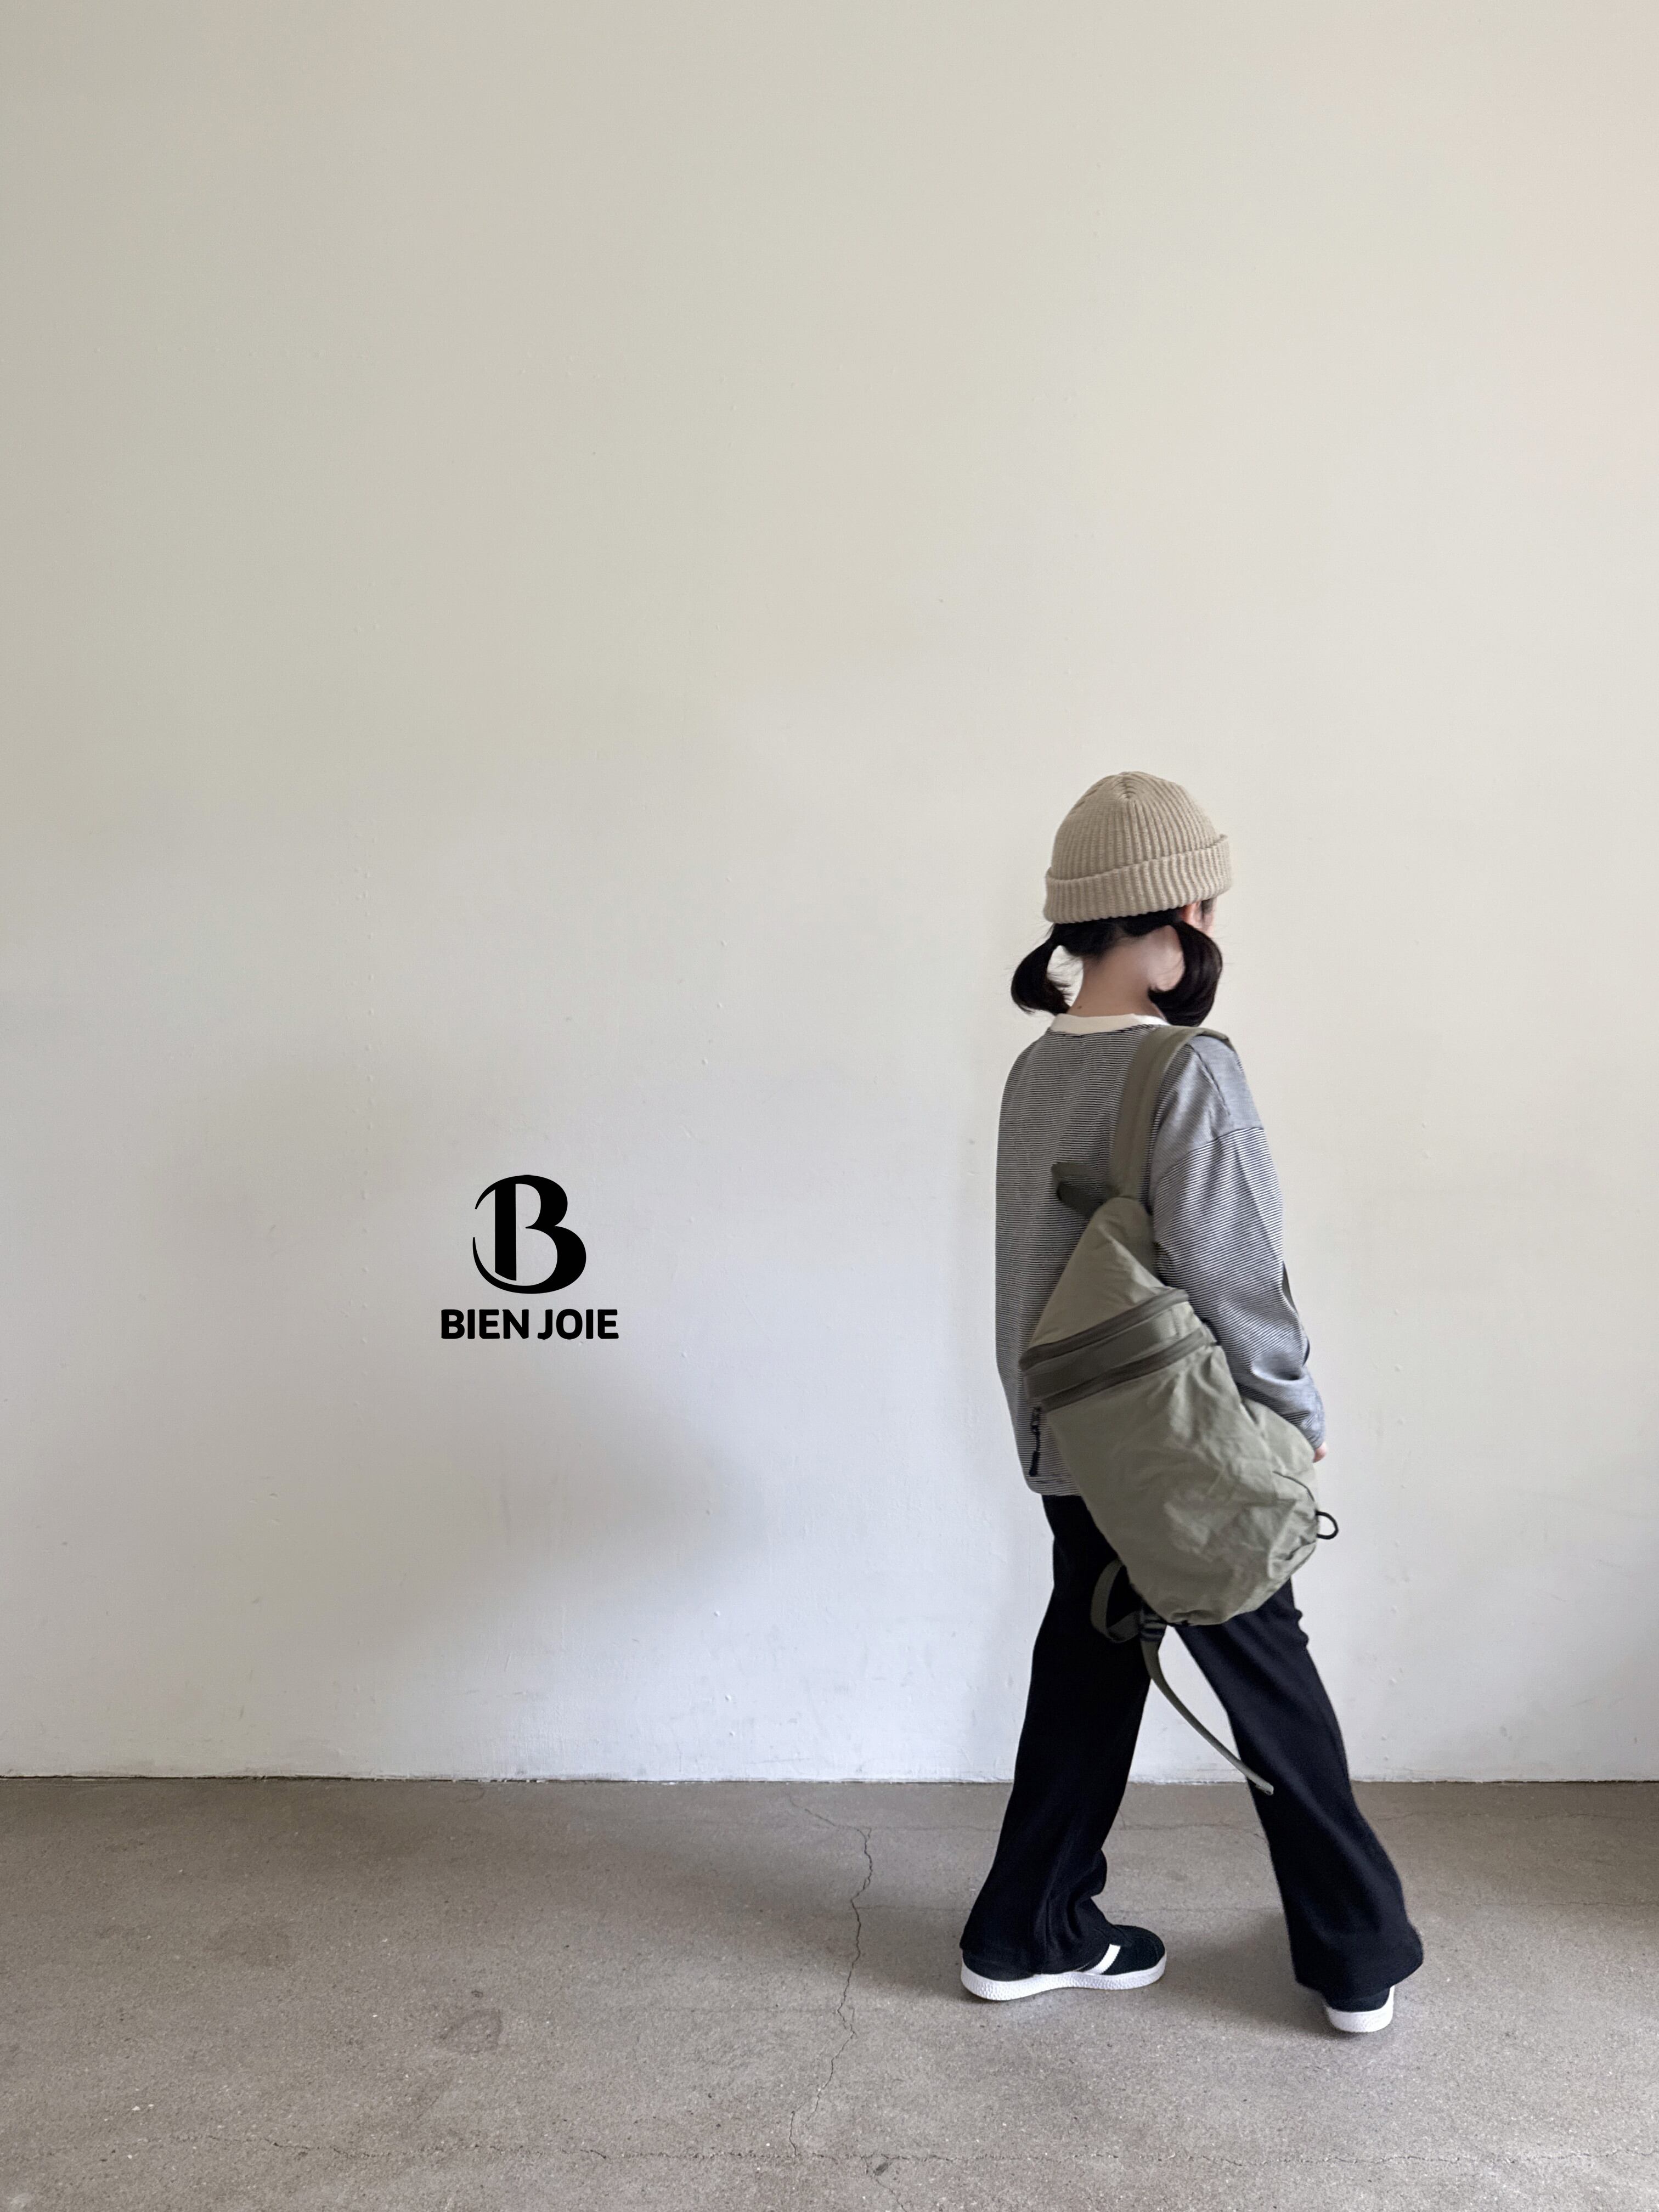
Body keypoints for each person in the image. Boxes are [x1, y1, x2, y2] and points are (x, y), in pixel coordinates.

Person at [960, 771, 1422, 2035]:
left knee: (1089, 1666)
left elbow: (1024, 1278)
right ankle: (1356, 1954)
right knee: (1270, 1677)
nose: (1213, 930)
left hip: (1074, 1437)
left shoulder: (1034, 1072)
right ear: (1173, 917)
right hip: (1180, 1449)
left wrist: (1043, 1442)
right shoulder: (1186, 1070)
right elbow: (1237, 1274)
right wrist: (1291, 1413)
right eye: (1206, 907)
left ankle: (1025, 1929)